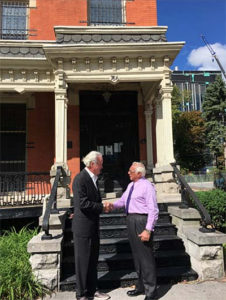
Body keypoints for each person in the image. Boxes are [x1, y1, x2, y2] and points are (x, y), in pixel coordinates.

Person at [109, 162, 159, 300]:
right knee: (137, 257)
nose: (128, 173)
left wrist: (148, 230)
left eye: (131, 171)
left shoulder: (147, 186)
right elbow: (123, 201)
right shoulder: (131, 185)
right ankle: (141, 286)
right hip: (130, 220)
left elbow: (153, 210)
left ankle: (151, 292)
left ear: (139, 173)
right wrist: (111, 205)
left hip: (142, 221)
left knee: (146, 257)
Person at [72, 151, 111, 300]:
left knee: (93, 260)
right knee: (83, 262)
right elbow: (82, 203)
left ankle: (93, 290)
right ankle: (81, 294)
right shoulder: (80, 179)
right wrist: (102, 207)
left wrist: (101, 206)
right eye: (100, 163)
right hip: (83, 228)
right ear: (93, 164)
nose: (102, 166)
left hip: (93, 226)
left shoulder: (93, 178)